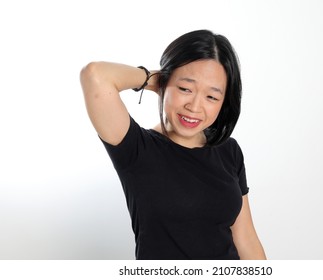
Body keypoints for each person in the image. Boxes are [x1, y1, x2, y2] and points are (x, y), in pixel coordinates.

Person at [80, 29, 266, 260]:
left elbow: (246, 239)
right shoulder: (136, 148)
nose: (195, 106)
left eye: (212, 97)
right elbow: (95, 75)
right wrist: (156, 78)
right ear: (164, 84)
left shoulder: (229, 151)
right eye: (185, 89)